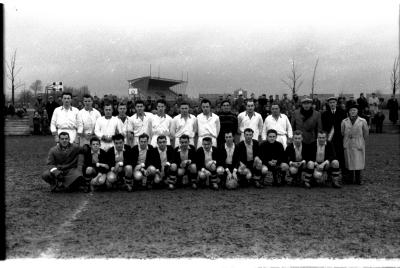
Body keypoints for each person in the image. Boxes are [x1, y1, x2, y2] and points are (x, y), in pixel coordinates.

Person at [341, 104, 369, 185]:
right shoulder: (344, 121)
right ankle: (350, 179)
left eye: (354, 110)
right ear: (348, 112)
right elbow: (342, 132)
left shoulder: (362, 121)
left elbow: (366, 133)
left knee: (358, 161)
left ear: (357, 111)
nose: (352, 112)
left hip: (358, 142)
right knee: (349, 161)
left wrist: (361, 140)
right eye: (351, 110)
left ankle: (358, 179)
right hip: (348, 142)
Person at [321, 97, 347, 177]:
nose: (332, 104)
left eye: (334, 102)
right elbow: (324, 127)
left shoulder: (342, 112)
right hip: (329, 139)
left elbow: (345, 126)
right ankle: (329, 174)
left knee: (340, 156)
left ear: (336, 103)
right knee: (330, 155)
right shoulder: (325, 114)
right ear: (328, 104)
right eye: (330, 103)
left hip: (339, 138)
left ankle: (341, 174)